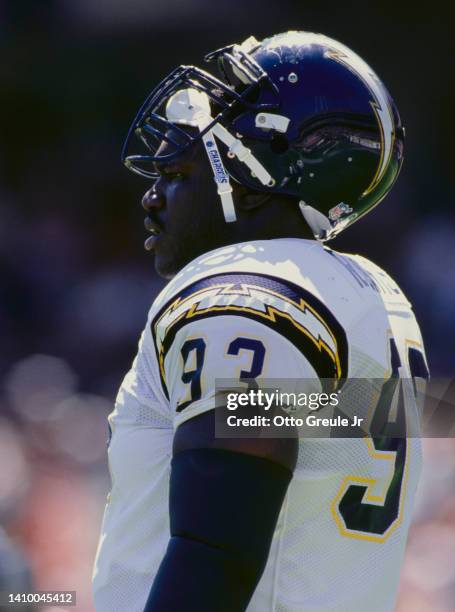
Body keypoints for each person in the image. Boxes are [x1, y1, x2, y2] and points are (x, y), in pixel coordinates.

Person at [92, 31, 429, 611]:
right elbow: (315, 428)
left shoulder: (241, 294)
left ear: (251, 189)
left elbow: (214, 554)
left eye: (177, 173)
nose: (150, 197)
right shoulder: (377, 296)